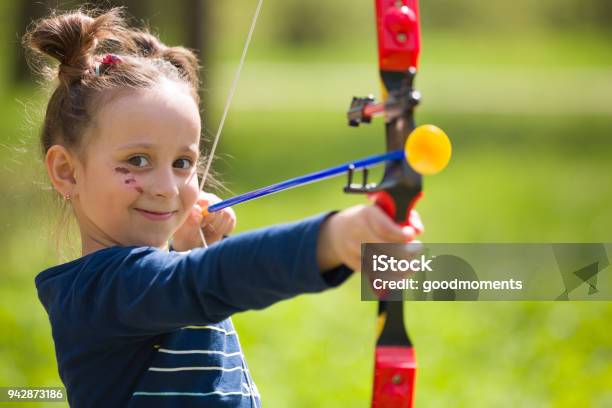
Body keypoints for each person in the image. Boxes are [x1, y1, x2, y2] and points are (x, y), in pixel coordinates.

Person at [24, 7, 422, 408]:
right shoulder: (97, 293)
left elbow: (183, 284)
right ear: (67, 171)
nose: (167, 188)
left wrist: (185, 246)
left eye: (183, 163)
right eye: (137, 161)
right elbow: (206, 281)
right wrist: (335, 239)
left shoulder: (158, 284)